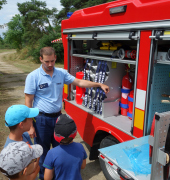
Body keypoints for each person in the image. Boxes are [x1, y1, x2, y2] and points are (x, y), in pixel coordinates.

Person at [24, 47, 109, 179]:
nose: (50, 64)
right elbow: (28, 101)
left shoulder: (61, 73)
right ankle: (44, 176)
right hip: (41, 120)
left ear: (55, 58)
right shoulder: (33, 76)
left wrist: (98, 84)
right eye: (47, 61)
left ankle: (59, 175)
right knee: (42, 151)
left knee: (62, 150)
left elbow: (79, 82)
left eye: (52, 60)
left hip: (58, 119)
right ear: (40, 59)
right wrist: (30, 125)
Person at [43, 114, 87, 180]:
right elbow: (83, 166)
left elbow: (47, 178)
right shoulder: (80, 147)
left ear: (56, 134)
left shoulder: (51, 153)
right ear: (74, 132)